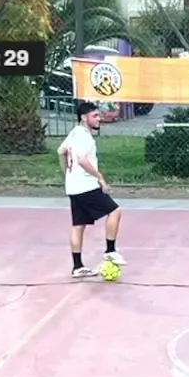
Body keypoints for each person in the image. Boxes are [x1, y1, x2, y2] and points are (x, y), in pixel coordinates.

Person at [57, 101, 127, 278]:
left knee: (78, 225)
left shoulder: (74, 132)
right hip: (86, 186)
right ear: (84, 117)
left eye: (98, 115)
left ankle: (77, 267)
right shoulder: (83, 136)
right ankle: (110, 250)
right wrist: (100, 178)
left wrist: (67, 173)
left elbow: (60, 151)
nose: (99, 119)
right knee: (115, 211)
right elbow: (82, 160)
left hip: (73, 187)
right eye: (95, 116)